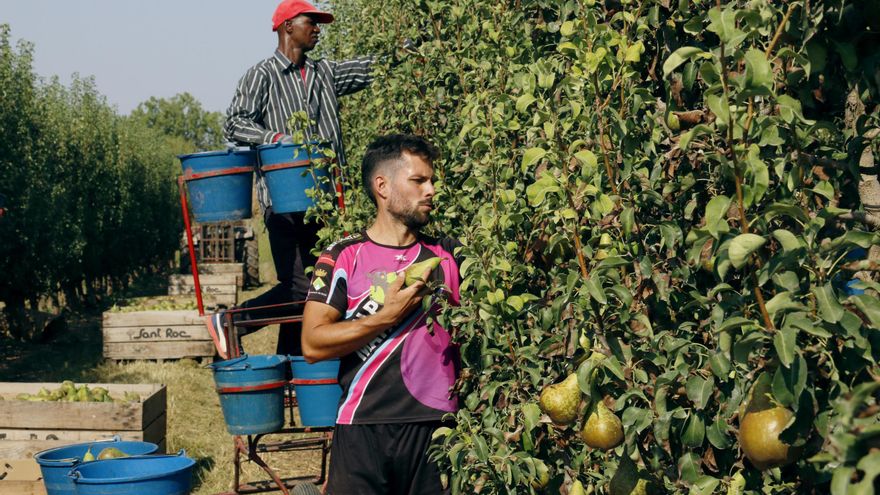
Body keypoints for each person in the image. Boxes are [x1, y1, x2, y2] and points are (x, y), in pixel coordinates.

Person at [207, 0, 381, 358]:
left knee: (315, 290)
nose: (318, 28)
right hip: (284, 203)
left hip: (327, 204)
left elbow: (368, 70)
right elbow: (235, 122)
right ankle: (234, 320)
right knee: (304, 289)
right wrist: (273, 138)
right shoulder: (262, 75)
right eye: (311, 22)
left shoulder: (325, 73)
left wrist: (402, 54)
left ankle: (295, 369)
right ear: (288, 26)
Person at [302, 134, 462, 495]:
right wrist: (384, 317)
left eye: (432, 180)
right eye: (419, 180)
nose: (431, 190)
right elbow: (312, 343)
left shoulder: (450, 254)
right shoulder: (344, 256)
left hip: (436, 429)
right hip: (363, 426)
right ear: (383, 186)